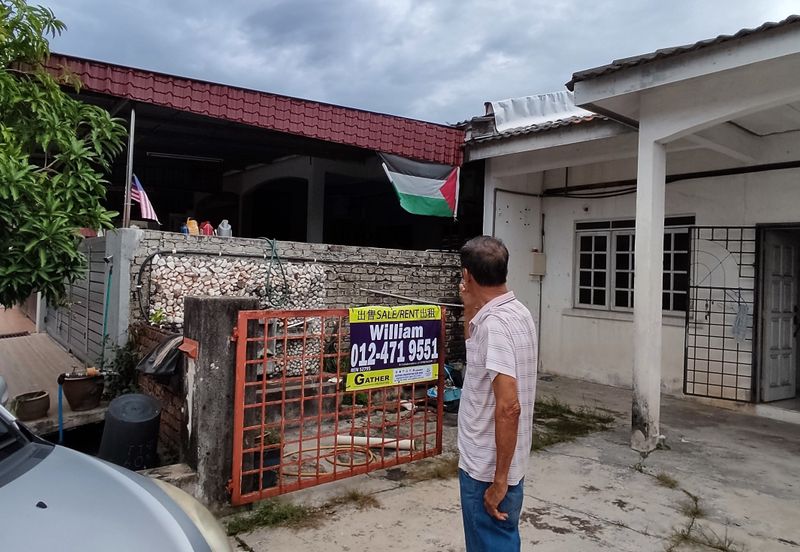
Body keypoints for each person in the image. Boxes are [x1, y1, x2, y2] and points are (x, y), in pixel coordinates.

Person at [457, 235, 538, 551]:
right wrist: (468, 310)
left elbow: (508, 407)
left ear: (468, 275)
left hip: (487, 471)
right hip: (504, 465)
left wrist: (498, 481)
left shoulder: (496, 325)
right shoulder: (517, 313)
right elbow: (475, 355)